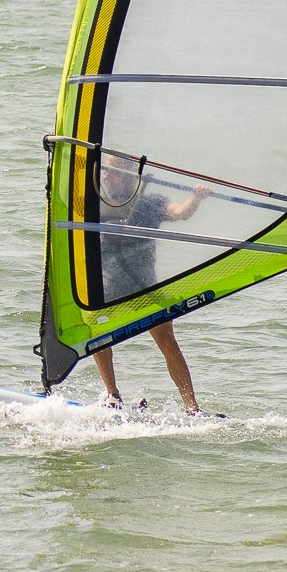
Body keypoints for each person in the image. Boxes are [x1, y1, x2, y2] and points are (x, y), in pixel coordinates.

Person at [87, 150, 204, 411]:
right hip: (107, 287)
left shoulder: (149, 202)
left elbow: (179, 213)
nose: (106, 175)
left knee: (167, 340)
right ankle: (112, 396)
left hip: (144, 285)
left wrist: (195, 198)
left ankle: (192, 407)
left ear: (130, 177)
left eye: (114, 171)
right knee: (98, 336)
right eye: (105, 170)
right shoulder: (94, 205)